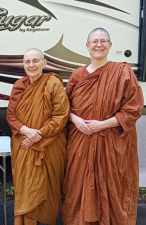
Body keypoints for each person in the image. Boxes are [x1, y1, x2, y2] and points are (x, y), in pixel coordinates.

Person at [61, 28, 144, 225]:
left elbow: (133, 110)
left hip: (112, 145)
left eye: (103, 41)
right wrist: (75, 119)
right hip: (81, 143)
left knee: (113, 191)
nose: (99, 45)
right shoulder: (77, 75)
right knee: (77, 188)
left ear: (110, 45)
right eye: (95, 41)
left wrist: (103, 125)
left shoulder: (123, 73)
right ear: (88, 47)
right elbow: (63, 107)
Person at [7, 48, 70, 225]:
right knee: (25, 190)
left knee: (48, 193)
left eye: (35, 60)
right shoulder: (19, 85)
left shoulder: (53, 83)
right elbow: (11, 116)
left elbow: (61, 116)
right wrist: (27, 131)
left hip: (49, 146)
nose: (31, 65)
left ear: (44, 63)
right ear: (23, 65)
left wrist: (39, 134)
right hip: (23, 145)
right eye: (27, 62)